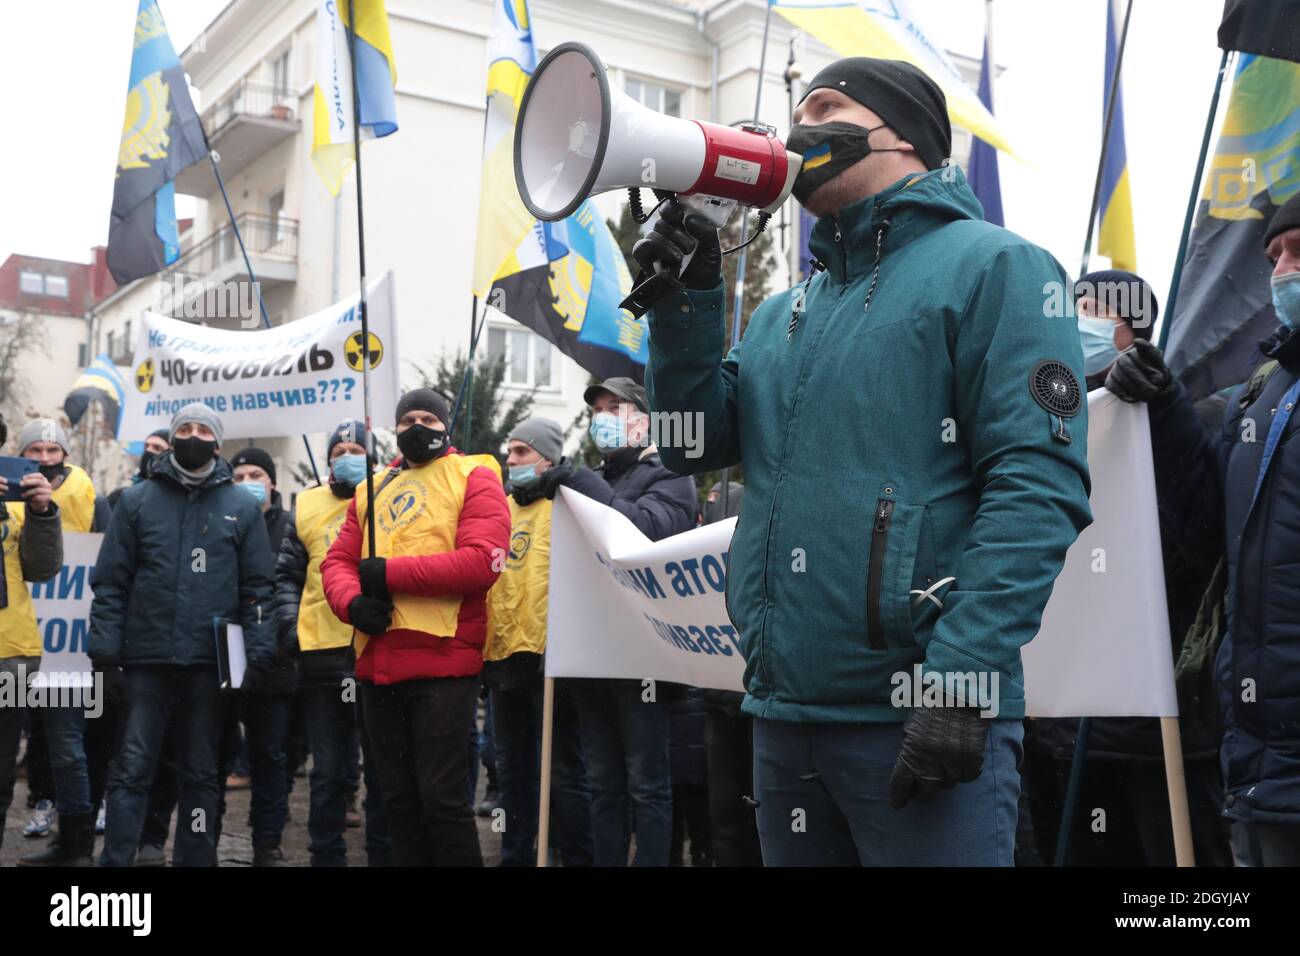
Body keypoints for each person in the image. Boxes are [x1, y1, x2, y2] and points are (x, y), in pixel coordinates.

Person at [635, 57, 1092, 866]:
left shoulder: (997, 267)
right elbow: (688, 443)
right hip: (783, 716)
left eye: (826, 106)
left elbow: (1036, 487)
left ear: (905, 135)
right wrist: (684, 302)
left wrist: (962, 679)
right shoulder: (785, 313)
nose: (798, 127)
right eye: (796, 110)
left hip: (919, 715)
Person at [1105, 193, 1300, 866]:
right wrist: (1163, 408)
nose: (1281, 272)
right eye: (1275, 255)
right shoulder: (1264, 392)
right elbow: (1205, 531)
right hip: (1258, 766)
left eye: (1299, 252)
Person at [1016, 274, 1231, 867]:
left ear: (1132, 332)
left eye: (1091, 308)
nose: (1074, 318)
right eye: (1069, 306)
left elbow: (1204, 536)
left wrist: (1159, 408)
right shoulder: (1037, 421)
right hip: (1057, 727)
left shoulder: (1181, 417)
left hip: (1157, 734)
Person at [321, 388, 510, 867]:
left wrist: (390, 574)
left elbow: (480, 563)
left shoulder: (476, 475)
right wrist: (352, 603)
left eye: (428, 418)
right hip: (379, 663)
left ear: (446, 426)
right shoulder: (372, 486)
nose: (417, 427)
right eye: (407, 420)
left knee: (441, 801)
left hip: (444, 664)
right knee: (397, 801)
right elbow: (338, 562)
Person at [89, 403, 277, 867]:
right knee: (132, 770)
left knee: (199, 774)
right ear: (173, 438)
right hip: (145, 663)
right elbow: (111, 583)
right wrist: (106, 655)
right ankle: (116, 859)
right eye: (184, 429)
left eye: (202, 430)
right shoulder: (136, 502)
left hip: (207, 666)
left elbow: (258, 589)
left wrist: (256, 656)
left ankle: (195, 856)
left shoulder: (240, 506)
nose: (193, 436)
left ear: (217, 441)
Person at [534, 376, 698, 866]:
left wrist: (580, 483)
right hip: (593, 655)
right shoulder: (595, 479)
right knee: (603, 784)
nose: (601, 417)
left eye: (615, 408)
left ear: (644, 420)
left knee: (647, 785)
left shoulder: (670, 474)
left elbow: (644, 534)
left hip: (644, 657)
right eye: (596, 410)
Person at [275, 419, 392, 866]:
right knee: (327, 771)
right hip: (321, 654)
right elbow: (286, 575)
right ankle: (326, 855)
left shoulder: (389, 499)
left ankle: (383, 854)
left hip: (375, 649)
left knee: (382, 769)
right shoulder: (305, 506)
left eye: (355, 449)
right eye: (338, 450)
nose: (346, 456)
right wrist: (290, 628)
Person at [483, 417, 593, 866]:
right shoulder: (500, 509)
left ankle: (575, 857)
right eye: (509, 452)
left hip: (553, 662)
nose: (511, 460)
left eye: (521, 452)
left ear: (548, 457)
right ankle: (514, 856)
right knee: (512, 775)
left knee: (564, 774)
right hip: (502, 660)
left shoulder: (568, 504)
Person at [13, 419, 112, 866]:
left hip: (66, 643)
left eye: (54, 450)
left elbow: (109, 564)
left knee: (67, 748)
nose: (45, 458)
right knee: (27, 746)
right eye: (35, 449)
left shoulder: (92, 497)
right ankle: (46, 816)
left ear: (67, 455)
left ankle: (75, 848)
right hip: (13, 641)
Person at [0, 454, 62, 857]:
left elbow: (42, 568)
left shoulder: (15, 501)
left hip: (12, 654)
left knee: (1, 772)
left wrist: (42, 512)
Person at [107, 428, 171, 510]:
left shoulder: (178, 500)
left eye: (157, 448)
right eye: (146, 446)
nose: (148, 450)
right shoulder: (121, 497)